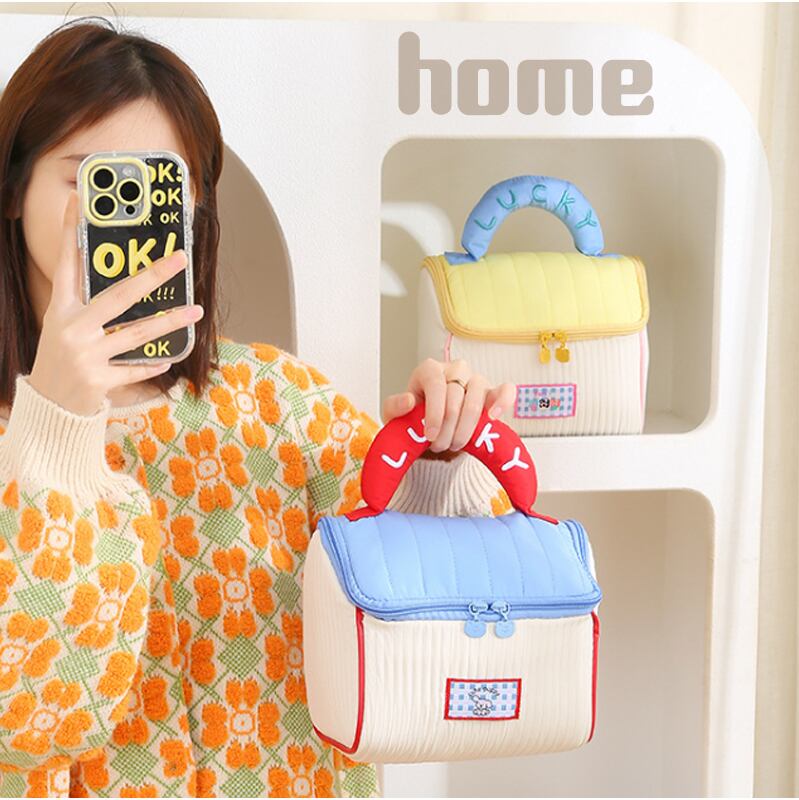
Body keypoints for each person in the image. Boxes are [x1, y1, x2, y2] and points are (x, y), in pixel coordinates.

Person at [0, 17, 516, 798]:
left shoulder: (279, 405)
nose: (123, 217)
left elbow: (439, 607)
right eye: (92, 182)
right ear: (14, 190)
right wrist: (55, 430)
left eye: (156, 186)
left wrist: (438, 462)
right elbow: (34, 721)